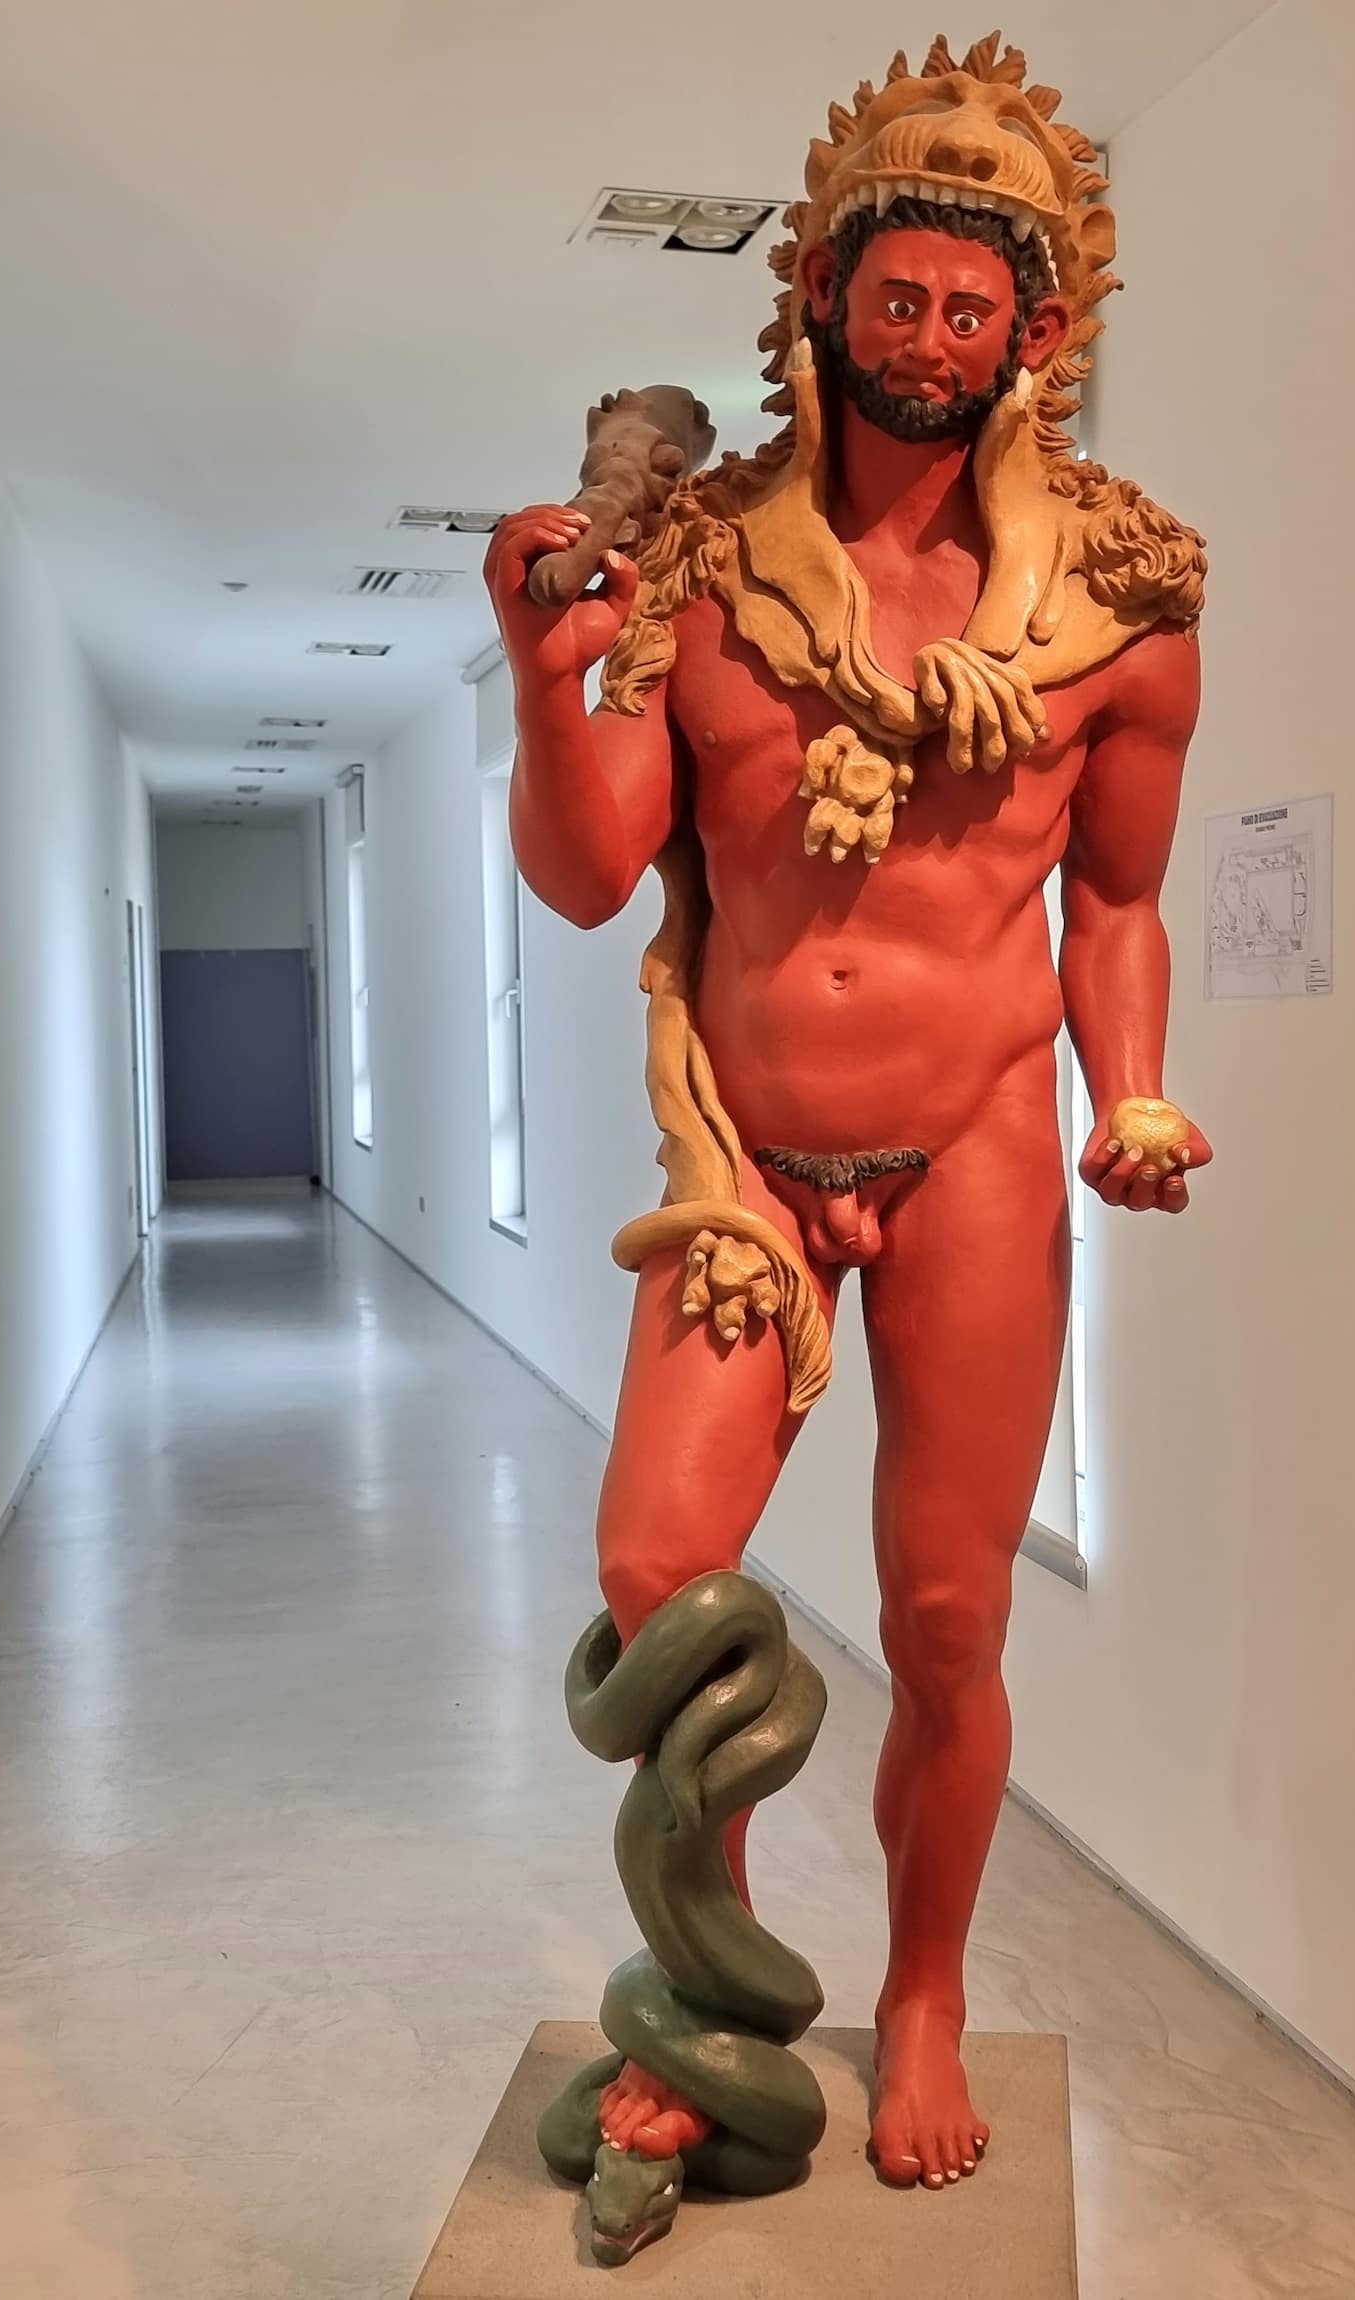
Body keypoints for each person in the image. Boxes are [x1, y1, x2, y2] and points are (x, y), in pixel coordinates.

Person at [484, 33, 1208, 2194]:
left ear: (1034, 332)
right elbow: (591, 872)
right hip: (747, 1165)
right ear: (820, 294)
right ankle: (711, 1992)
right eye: (896, 293)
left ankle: (920, 1994)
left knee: (948, 1620)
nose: (929, 338)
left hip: (973, 1139)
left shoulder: (1121, 601)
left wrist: (1132, 1089)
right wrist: (544, 677)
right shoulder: (700, 570)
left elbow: (1117, 901)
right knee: (658, 1571)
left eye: (972, 307)